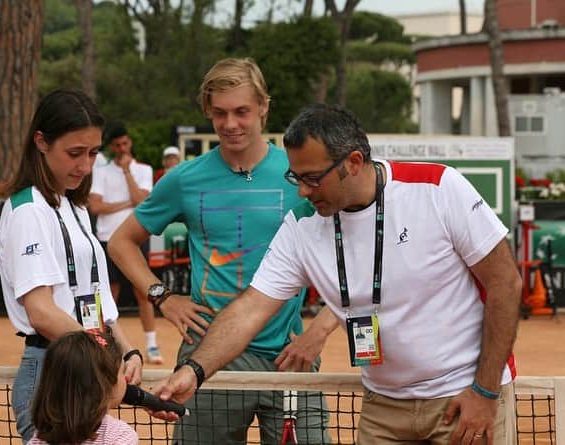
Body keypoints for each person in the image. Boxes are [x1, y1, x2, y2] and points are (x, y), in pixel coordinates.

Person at [151, 104, 523, 445]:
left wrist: (486, 391)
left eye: (312, 178)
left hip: (462, 397)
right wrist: (195, 370)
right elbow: (250, 308)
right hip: (383, 407)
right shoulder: (302, 225)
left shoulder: (437, 187)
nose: (301, 190)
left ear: (354, 162)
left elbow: (505, 282)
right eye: (294, 177)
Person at [109, 58, 331, 444]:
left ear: (264, 106)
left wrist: (319, 332)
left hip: (291, 354)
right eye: (220, 113)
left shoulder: (300, 172)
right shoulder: (184, 178)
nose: (230, 124)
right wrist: (163, 296)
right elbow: (120, 241)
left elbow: (358, 257)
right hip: (208, 356)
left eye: (242, 111)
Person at [0, 90, 143, 443]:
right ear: (41, 142)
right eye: (75, 153)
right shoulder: (28, 210)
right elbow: (42, 312)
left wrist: (127, 350)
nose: (85, 165)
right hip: (53, 373)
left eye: (93, 153)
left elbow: (92, 301)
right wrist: (104, 358)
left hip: (84, 369)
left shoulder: (73, 207)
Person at [88, 125, 163, 365]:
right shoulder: (100, 171)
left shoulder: (144, 170)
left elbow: (143, 202)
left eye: (125, 144)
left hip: (135, 240)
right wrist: (126, 203)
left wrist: (127, 174)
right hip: (106, 239)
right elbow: (96, 207)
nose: (122, 149)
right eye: (117, 145)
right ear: (111, 147)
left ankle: (151, 346)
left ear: (130, 143)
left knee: (144, 293)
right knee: (106, 296)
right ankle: (102, 346)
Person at [28, 330, 139, 445]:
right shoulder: (121, 435)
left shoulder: (39, 439)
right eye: (122, 372)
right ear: (105, 384)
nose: (125, 378)